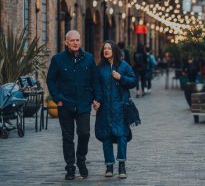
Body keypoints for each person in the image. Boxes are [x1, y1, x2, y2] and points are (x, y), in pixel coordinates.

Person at [46, 30, 101, 180]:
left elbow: (94, 80)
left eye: (77, 40)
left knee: (84, 133)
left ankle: (81, 160)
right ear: (66, 42)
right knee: (67, 137)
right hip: (65, 104)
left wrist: (97, 98)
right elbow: (50, 80)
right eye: (72, 40)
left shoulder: (89, 59)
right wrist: (57, 98)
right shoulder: (58, 59)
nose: (75, 43)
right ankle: (70, 167)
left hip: (83, 103)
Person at [94, 40, 137, 178]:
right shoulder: (99, 68)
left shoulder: (123, 66)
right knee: (106, 136)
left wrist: (121, 77)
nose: (106, 51)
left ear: (114, 51)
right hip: (105, 108)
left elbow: (134, 81)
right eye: (104, 48)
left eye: (109, 48)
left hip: (120, 107)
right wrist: (95, 101)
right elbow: (96, 87)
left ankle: (122, 166)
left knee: (121, 136)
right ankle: (109, 166)